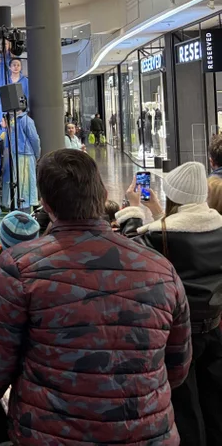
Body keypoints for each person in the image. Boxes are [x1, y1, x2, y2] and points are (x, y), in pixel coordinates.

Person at [0, 149, 192, 446]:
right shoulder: (161, 269)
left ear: (46, 204)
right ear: (102, 194)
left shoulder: (18, 267)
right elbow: (177, 368)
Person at [121, 162, 222, 445]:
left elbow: (131, 251)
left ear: (173, 195)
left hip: (179, 332)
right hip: (213, 326)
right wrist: (156, 212)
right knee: (215, 400)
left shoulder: (157, 235)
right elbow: (186, 227)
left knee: (186, 407)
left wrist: (132, 210)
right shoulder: (216, 225)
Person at [4, 109, 41, 212]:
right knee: (19, 183)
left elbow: (34, 139)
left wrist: (37, 154)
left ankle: (26, 212)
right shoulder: (12, 120)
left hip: (26, 155)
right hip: (16, 155)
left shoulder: (26, 120)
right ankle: (19, 210)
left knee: (25, 184)